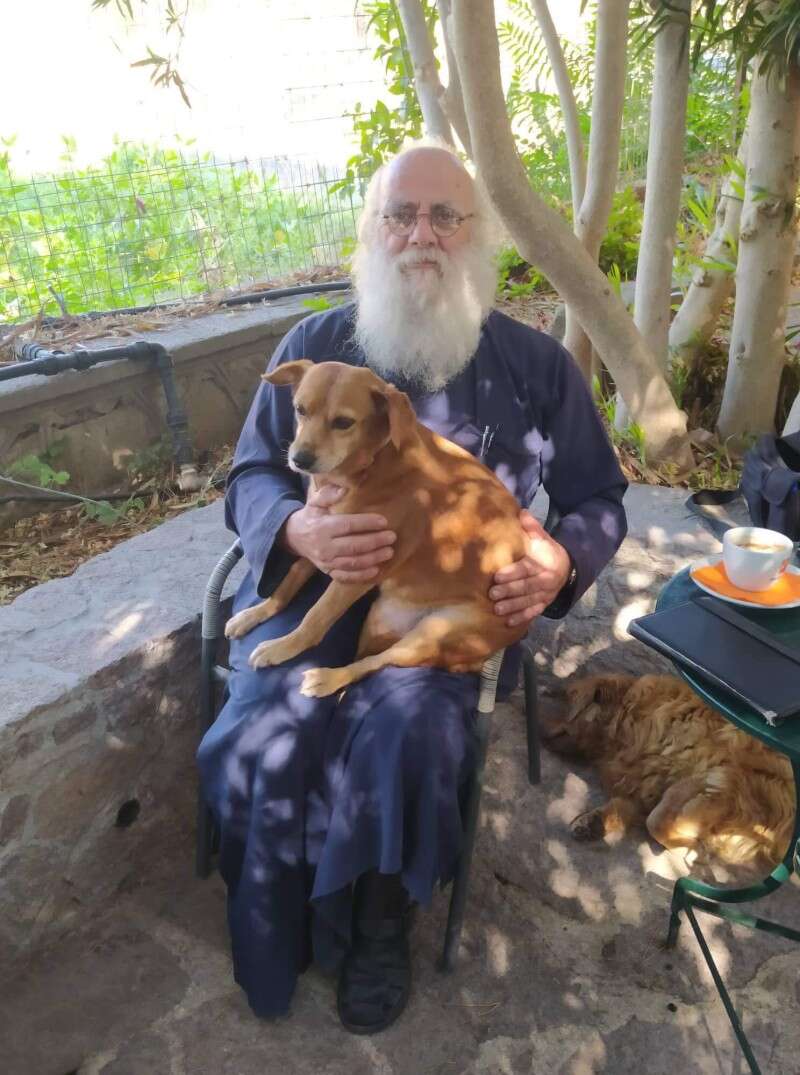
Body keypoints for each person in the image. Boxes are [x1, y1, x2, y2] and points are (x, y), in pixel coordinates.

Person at [197, 141, 627, 1034]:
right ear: (373, 230)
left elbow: (598, 498)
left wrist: (561, 562)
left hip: (445, 609)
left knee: (409, 734)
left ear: (478, 235)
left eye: (444, 216)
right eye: (400, 215)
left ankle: (379, 925)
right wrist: (297, 528)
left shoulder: (536, 365)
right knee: (261, 724)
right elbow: (250, 476)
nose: (421, 235)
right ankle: (275, 922)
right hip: (316, 591)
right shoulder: (314, 346)